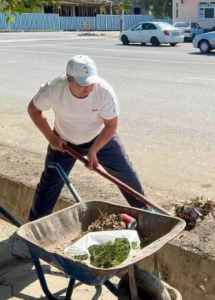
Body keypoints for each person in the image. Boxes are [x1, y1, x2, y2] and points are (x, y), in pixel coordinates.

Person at [27, 55, 146, 221]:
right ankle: (34, 224)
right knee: (50, 182)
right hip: (64, 140)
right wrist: (52, 139)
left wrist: (94, 150)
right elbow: (34, 110)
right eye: (82, 83)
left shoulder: (104, 92)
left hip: (100, 138)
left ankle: (146, 215)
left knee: (126, 176)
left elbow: (111, 125)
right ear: (69, 78)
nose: (88, 88)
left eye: (91, 82)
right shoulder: (53, 88)